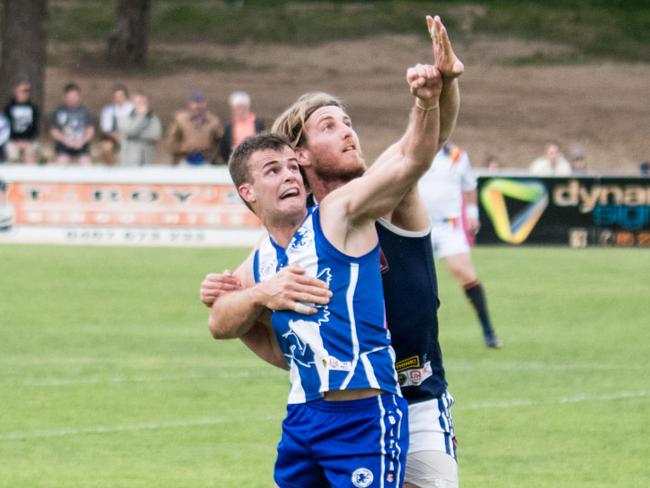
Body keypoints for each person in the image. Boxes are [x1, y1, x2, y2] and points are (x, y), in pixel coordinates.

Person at [202, 15, 463, 488]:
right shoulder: (289, 240)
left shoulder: (374, 197)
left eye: (348, 122)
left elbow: (423, 146)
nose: (349, 132)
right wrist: (255, 298)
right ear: (299, 153)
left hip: (416, 396)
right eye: (330, 125)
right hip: (326, 408)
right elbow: (230, 322)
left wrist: (441, 87)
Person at [419, 143, 502, 349]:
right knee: (412, 281)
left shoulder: (457, 156)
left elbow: (469, 187)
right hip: (418, 224)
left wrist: (473, 215)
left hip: (450, 226)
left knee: (465, 274)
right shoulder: (414, 149)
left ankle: (488, 330)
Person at [166, 91, 224, 165]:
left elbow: (220, 141)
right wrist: (181, 152)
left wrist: (213, 155)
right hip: (185, 160)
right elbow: (171, 140)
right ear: (189, 104)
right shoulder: (180, 120)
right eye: (195, 103)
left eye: (201, 102)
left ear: (205, 104)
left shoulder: (214, 121)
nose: (198, 106)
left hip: (206, 161)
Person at [49, 83, 95, 165]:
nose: (72, 99)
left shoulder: (85, 112)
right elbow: (54, 131)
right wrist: (65, 141)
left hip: (81, 145)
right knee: (61, 162)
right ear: (64, 97)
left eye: (74, 97)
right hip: (63, 145)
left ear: (78, 97)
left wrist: (82, 141)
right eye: (69, 97)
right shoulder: (58, 111)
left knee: (85, 164)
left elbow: (90, 130)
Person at [117, 92, 162, 166]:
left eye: (144, 102)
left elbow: (155, 136)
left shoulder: (153, 118)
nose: (142, 105)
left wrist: (133, 136)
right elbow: (129, 131)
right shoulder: (125, 118)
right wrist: (141, 116)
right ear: (133, 103)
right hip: (130, 160)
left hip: (147, 159)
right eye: (139, 102)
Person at [219, 91, 265, 162]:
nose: (241, 110)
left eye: (243, 107)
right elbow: (224, 145)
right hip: (236, 160)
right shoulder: (229, 126)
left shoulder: (258, 123)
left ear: (248, 107)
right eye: (238, 108)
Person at [4, 80, 41, 164]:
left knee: (32, 152)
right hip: (12, 141)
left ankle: (30, 176)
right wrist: (16, 141)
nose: (26, 93)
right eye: (23, 91)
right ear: (16, 91)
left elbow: (35, 128)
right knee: (12, 153)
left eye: (28, 91)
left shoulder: (33, 108)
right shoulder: (8, 108)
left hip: (29, 141)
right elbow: (6, 127)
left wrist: (28, 141)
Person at [98, 84, 134, 165]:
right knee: (106, 146)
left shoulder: (133, 108)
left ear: (125, 96)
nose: (119, 99)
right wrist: (115, 136)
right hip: (114, 138)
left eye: (121, 96)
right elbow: (105, 129)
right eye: (116, 96)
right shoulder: (108, 110)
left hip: (131, 136)